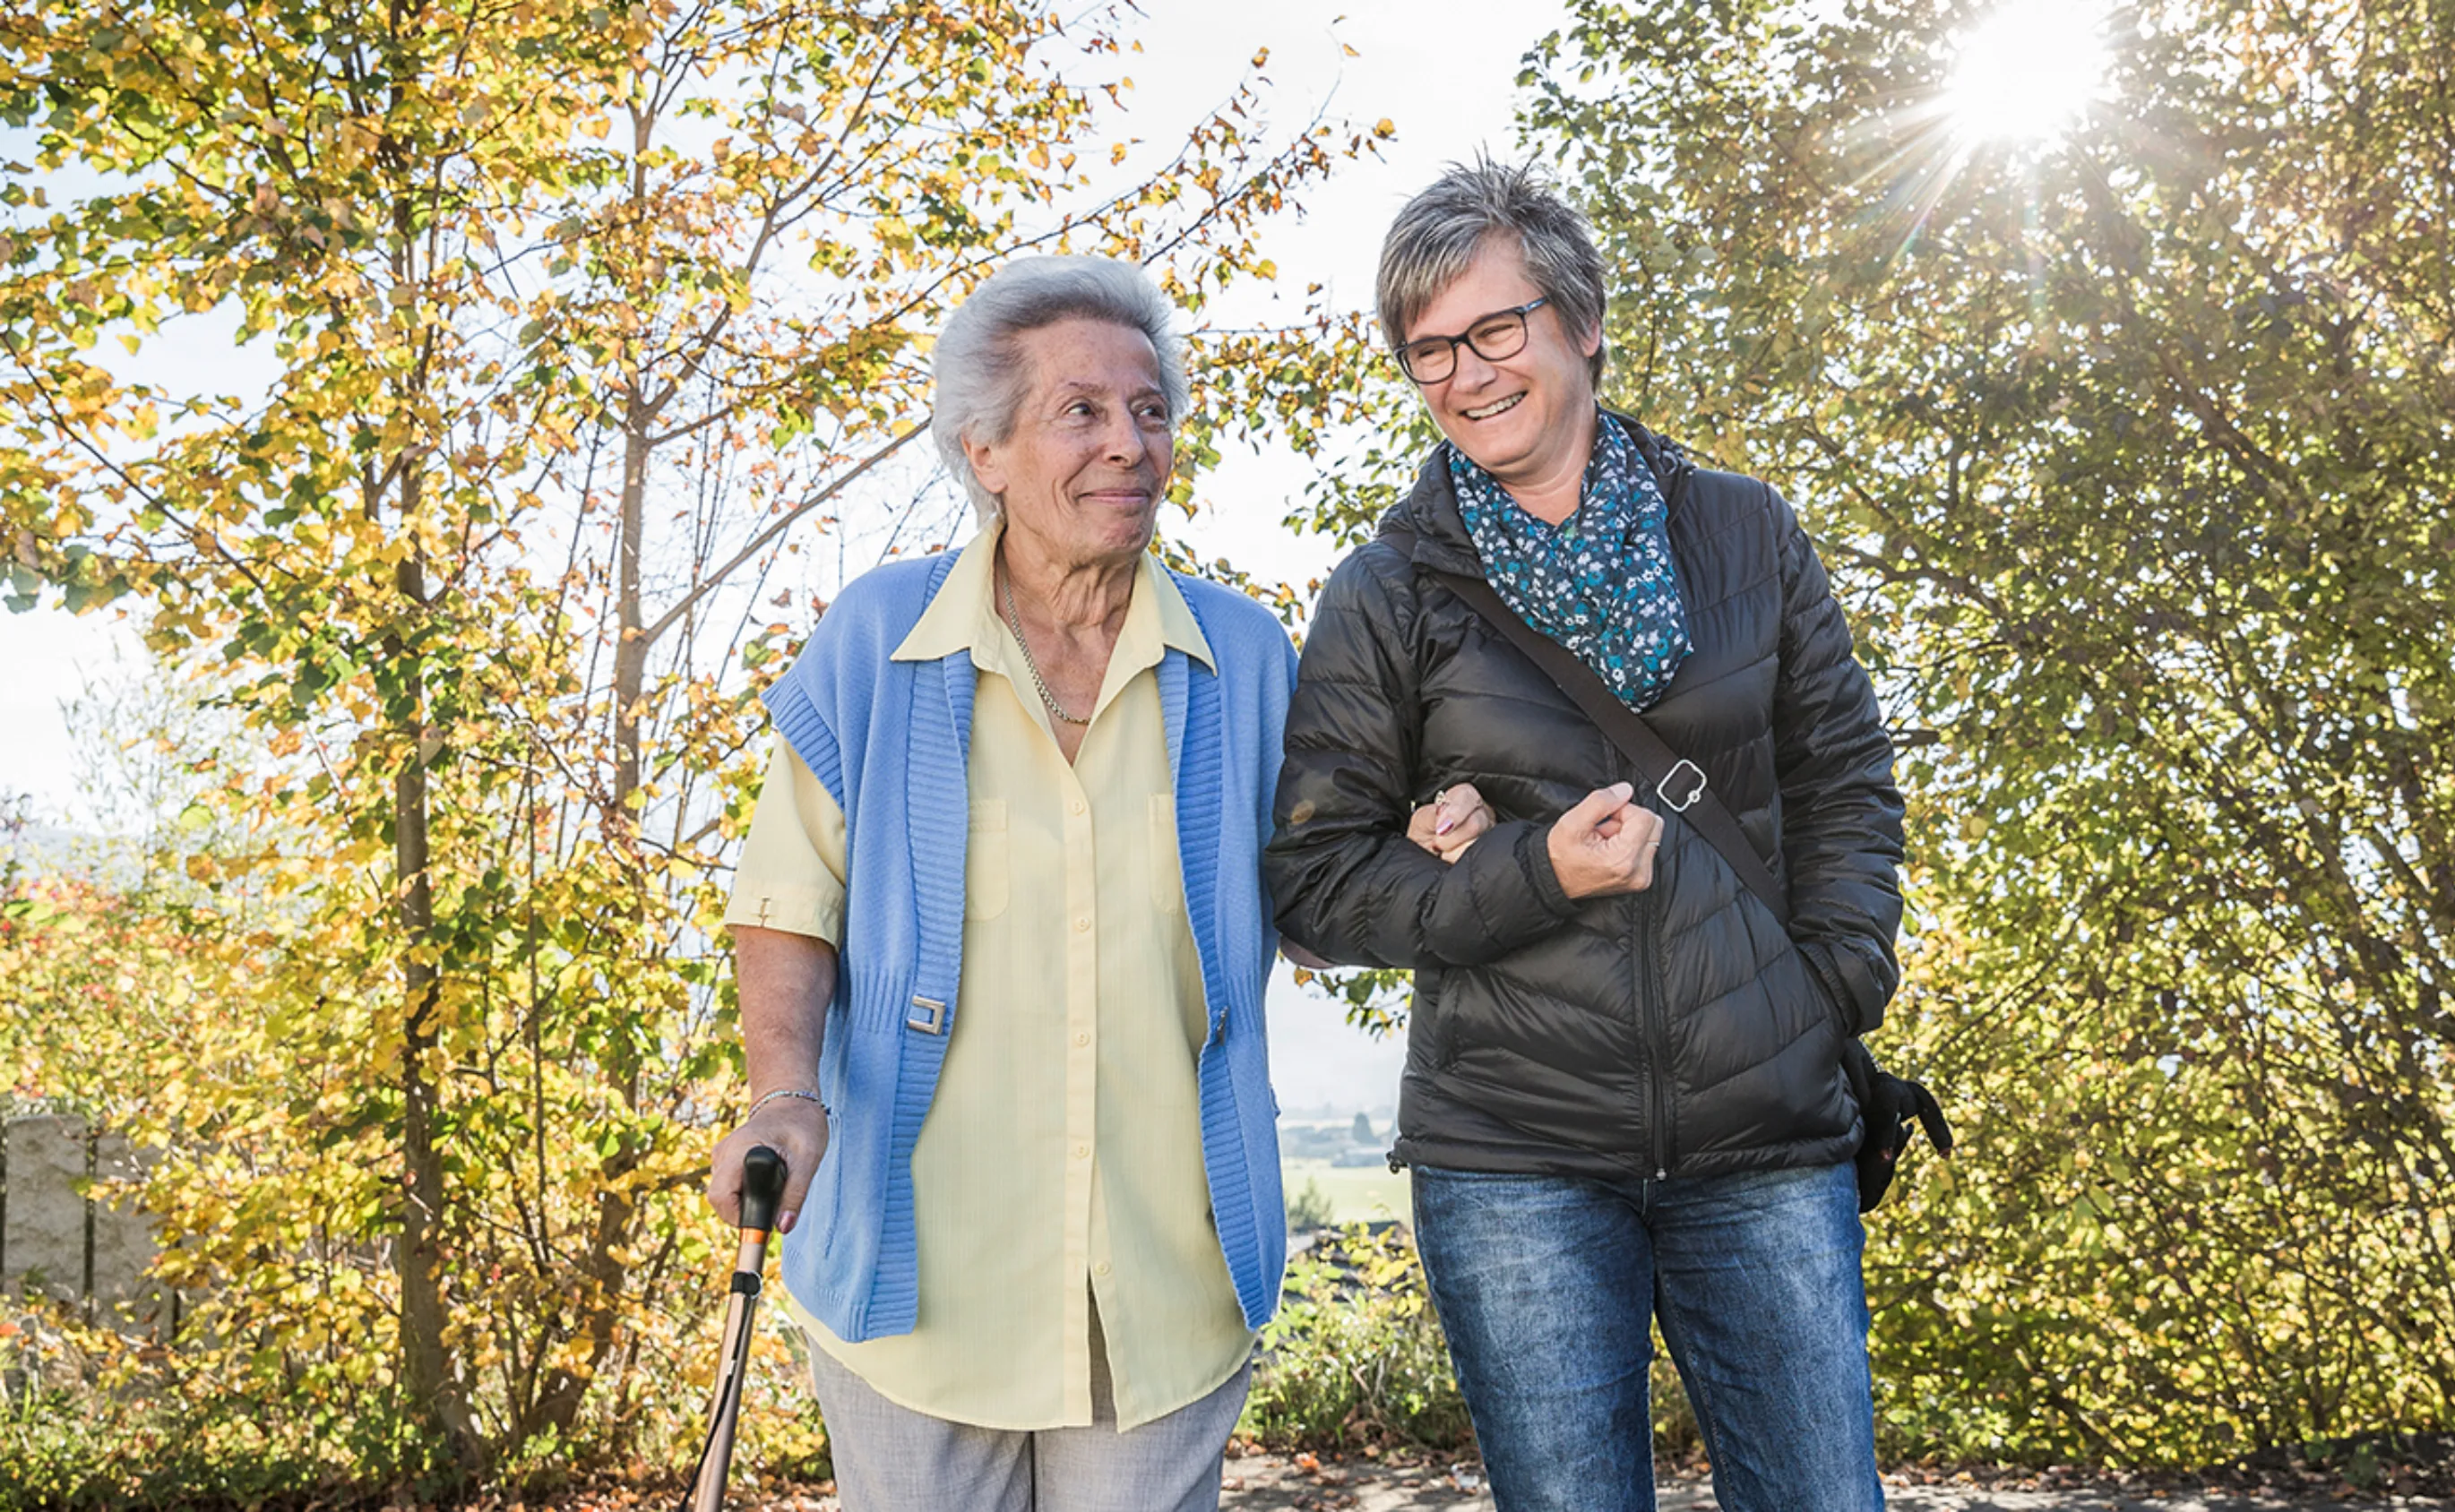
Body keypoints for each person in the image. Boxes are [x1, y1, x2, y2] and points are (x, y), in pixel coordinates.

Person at [1262, 161, 1907, 1512]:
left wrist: (1832, 982)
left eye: (1496, 330)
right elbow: (1316, 887)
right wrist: (1530, 870)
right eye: (1429, 349)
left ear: (1582, 320)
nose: (1466, 374)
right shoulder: (1390, 593)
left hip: (1767, 1141)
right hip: (1515, 1164)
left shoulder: (1744, 530)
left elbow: (1843, 772)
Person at [702, 256, 1298, 1512]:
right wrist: (785, 1095)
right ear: (984, 451)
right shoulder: (879, 641)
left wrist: (1442, 837)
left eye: (1149, 411)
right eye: (1081, 411)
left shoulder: (1243, 660)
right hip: (924, 1286)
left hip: (1163, 1279)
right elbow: (788, 899)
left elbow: (1326, 882)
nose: (1128, 444)